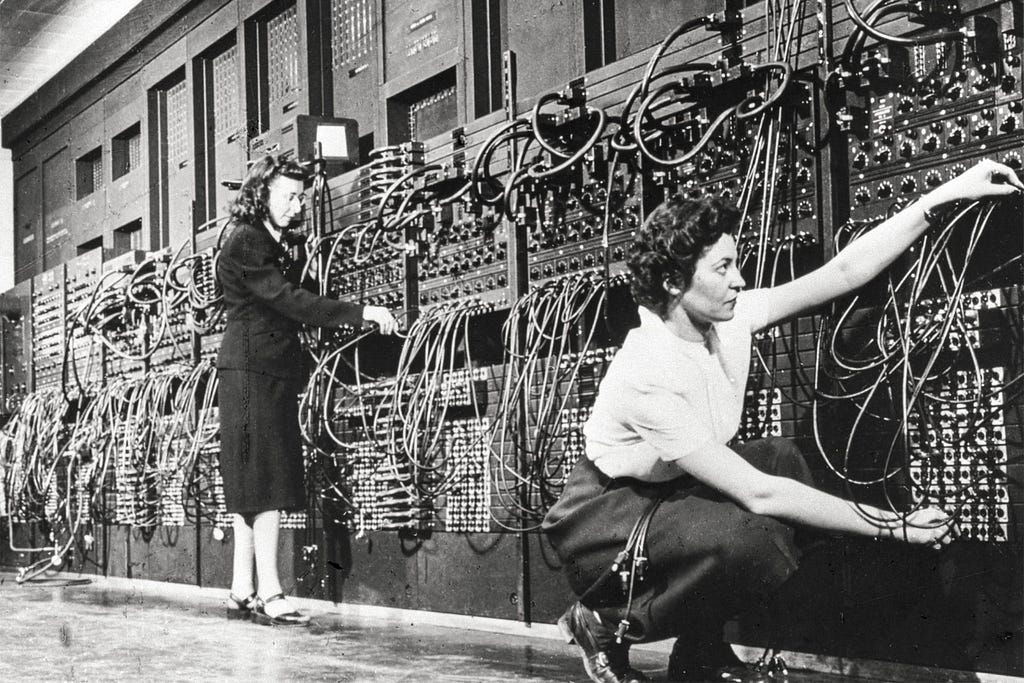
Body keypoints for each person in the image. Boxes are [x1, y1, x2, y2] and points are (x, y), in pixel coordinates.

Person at [543, 159, 1024, 682]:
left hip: (665, 497)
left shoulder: (726, 320)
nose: (739, 280)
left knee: (781, 459)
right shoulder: (647, 369)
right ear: (673, 281)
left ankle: (700, 646)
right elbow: (760, 495)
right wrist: (897, 526)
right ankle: (601, 620)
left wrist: (944, 196)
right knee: (752, 535)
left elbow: (840, 274)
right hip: (607, 520)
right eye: (722, 268)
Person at [216, 155, 398, 626]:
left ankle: (242, 587)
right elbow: (288, 300)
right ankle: (272, 592)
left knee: (251, 483)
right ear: (261, 197)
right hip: (256, 371)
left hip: (256, 370)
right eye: (288, 197)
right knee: (269, 481)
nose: (297, 206)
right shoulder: (250, 242)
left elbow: (300, 292)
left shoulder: (270, 243)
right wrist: (360, 313)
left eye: (301, 197)